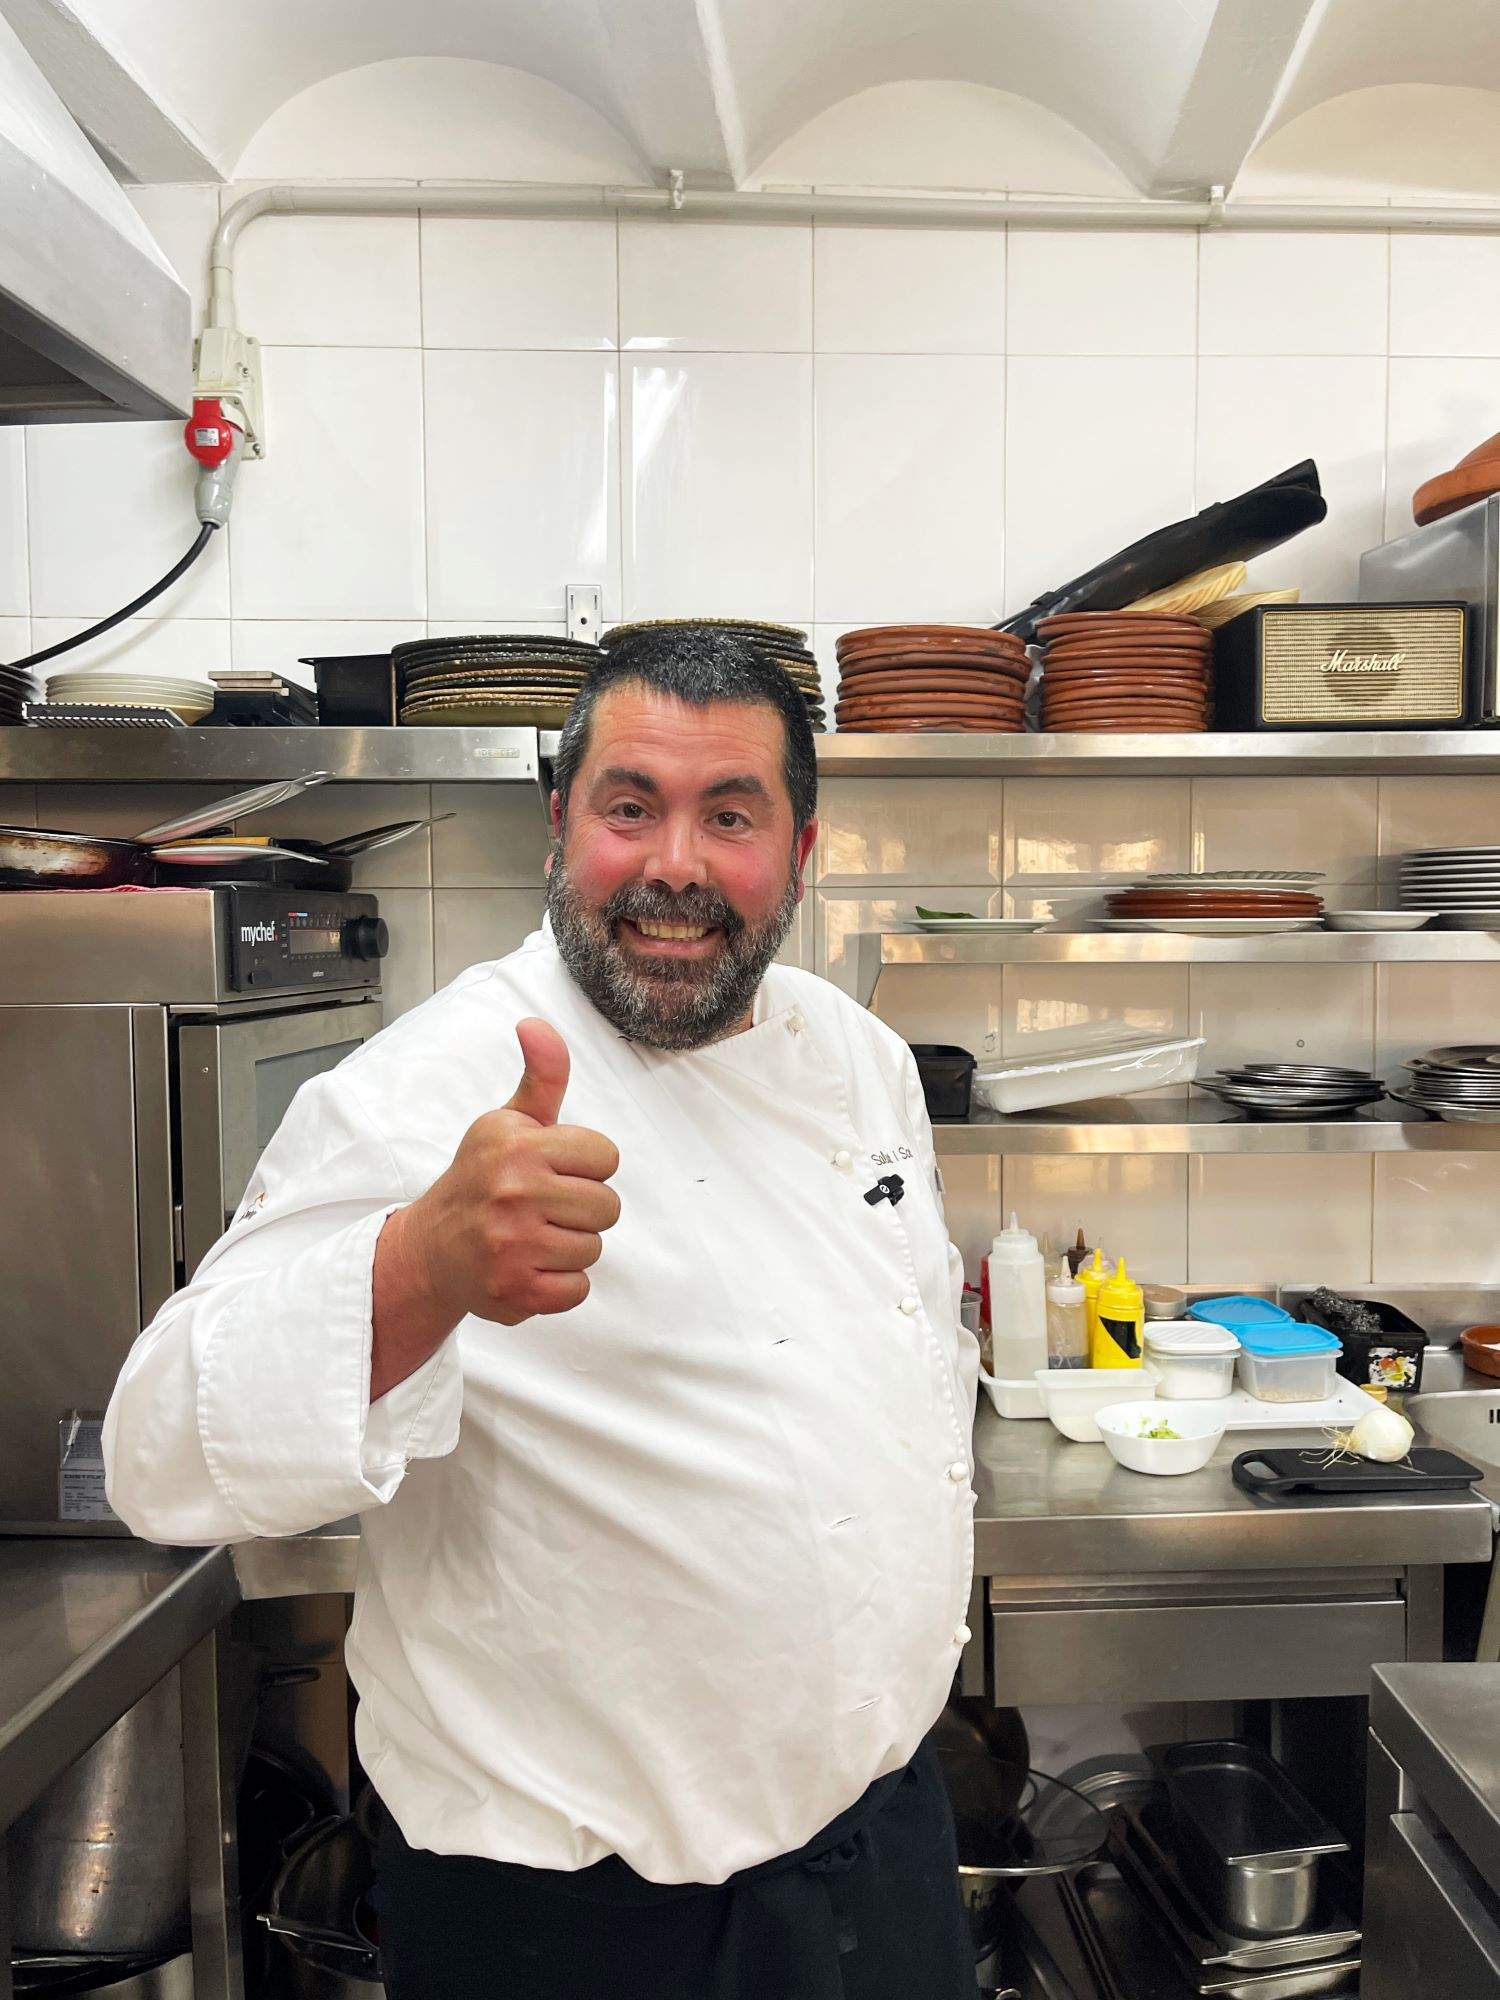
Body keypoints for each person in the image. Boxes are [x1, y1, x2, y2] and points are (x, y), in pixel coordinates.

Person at [104, 628, 981, 2000]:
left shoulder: (857, 1055)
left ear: (802, 852)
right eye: (630, 807)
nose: (676, 865)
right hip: (573, 1916)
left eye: (729, 816)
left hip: (877, 1847)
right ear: (558, 821)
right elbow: (158, 1452)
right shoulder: (439, 1080)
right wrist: (422, 1268)